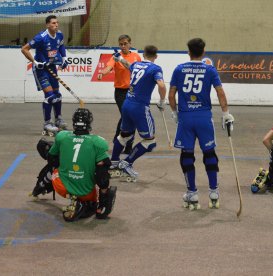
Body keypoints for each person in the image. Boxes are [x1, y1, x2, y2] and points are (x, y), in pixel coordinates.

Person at [168, 38, 235, 210]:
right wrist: (226, 114)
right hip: (204, 117)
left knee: (187, 155)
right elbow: (220, 92)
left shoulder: (179, 69)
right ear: (203, 51)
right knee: (209, 154)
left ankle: (192, 192)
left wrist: (175, 113)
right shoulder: (210, 69)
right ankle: (213, 192)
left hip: (186, 118)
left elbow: (171, 95)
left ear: (188, 51)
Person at [30, 108, 117, 222]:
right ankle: (99, 206)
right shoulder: (99, 142)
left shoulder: (62, 136)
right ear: (89, 123)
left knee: (53, 162)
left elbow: (51, 159)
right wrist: (104, 192)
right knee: (102, 168)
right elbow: (102, 177)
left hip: (62, 187)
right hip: (86, 191)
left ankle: (41, 186)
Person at [108, 45, 166, 181]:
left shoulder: (136, 64)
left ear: (143, 54)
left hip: (127, 105)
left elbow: (128, 65)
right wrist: (162, 101)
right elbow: (162, 85)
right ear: (156, 56)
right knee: (150, 142)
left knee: (124, 136)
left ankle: (114, 163)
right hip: (140, 107)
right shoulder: (155, 69)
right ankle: (126, 163)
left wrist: (119, 58)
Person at [21, 15, 69, 135]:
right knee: (50, 96)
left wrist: (64, 58)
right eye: (53, 23)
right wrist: (35, 62)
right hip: (41, 69)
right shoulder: (41, 37)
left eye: (57, 23)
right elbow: (24, 49)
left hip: (52, 67)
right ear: (47, 25)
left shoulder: (59, 35)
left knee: (57, 95)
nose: (56, 25)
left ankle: (58, 119)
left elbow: (61, 45)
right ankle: (47, 123)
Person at [97, 34, 142, 154]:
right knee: (127, 115)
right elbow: (108, 67)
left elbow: (139, 72)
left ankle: (127, 145)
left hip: (133, 92)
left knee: (129, 117)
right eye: (121, 44)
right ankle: (119, 139)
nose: (123, 46)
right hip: (120, 92)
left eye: (125, 43)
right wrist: (102, 73)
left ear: (130, 44)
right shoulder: (116, 57)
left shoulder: (136, 57)